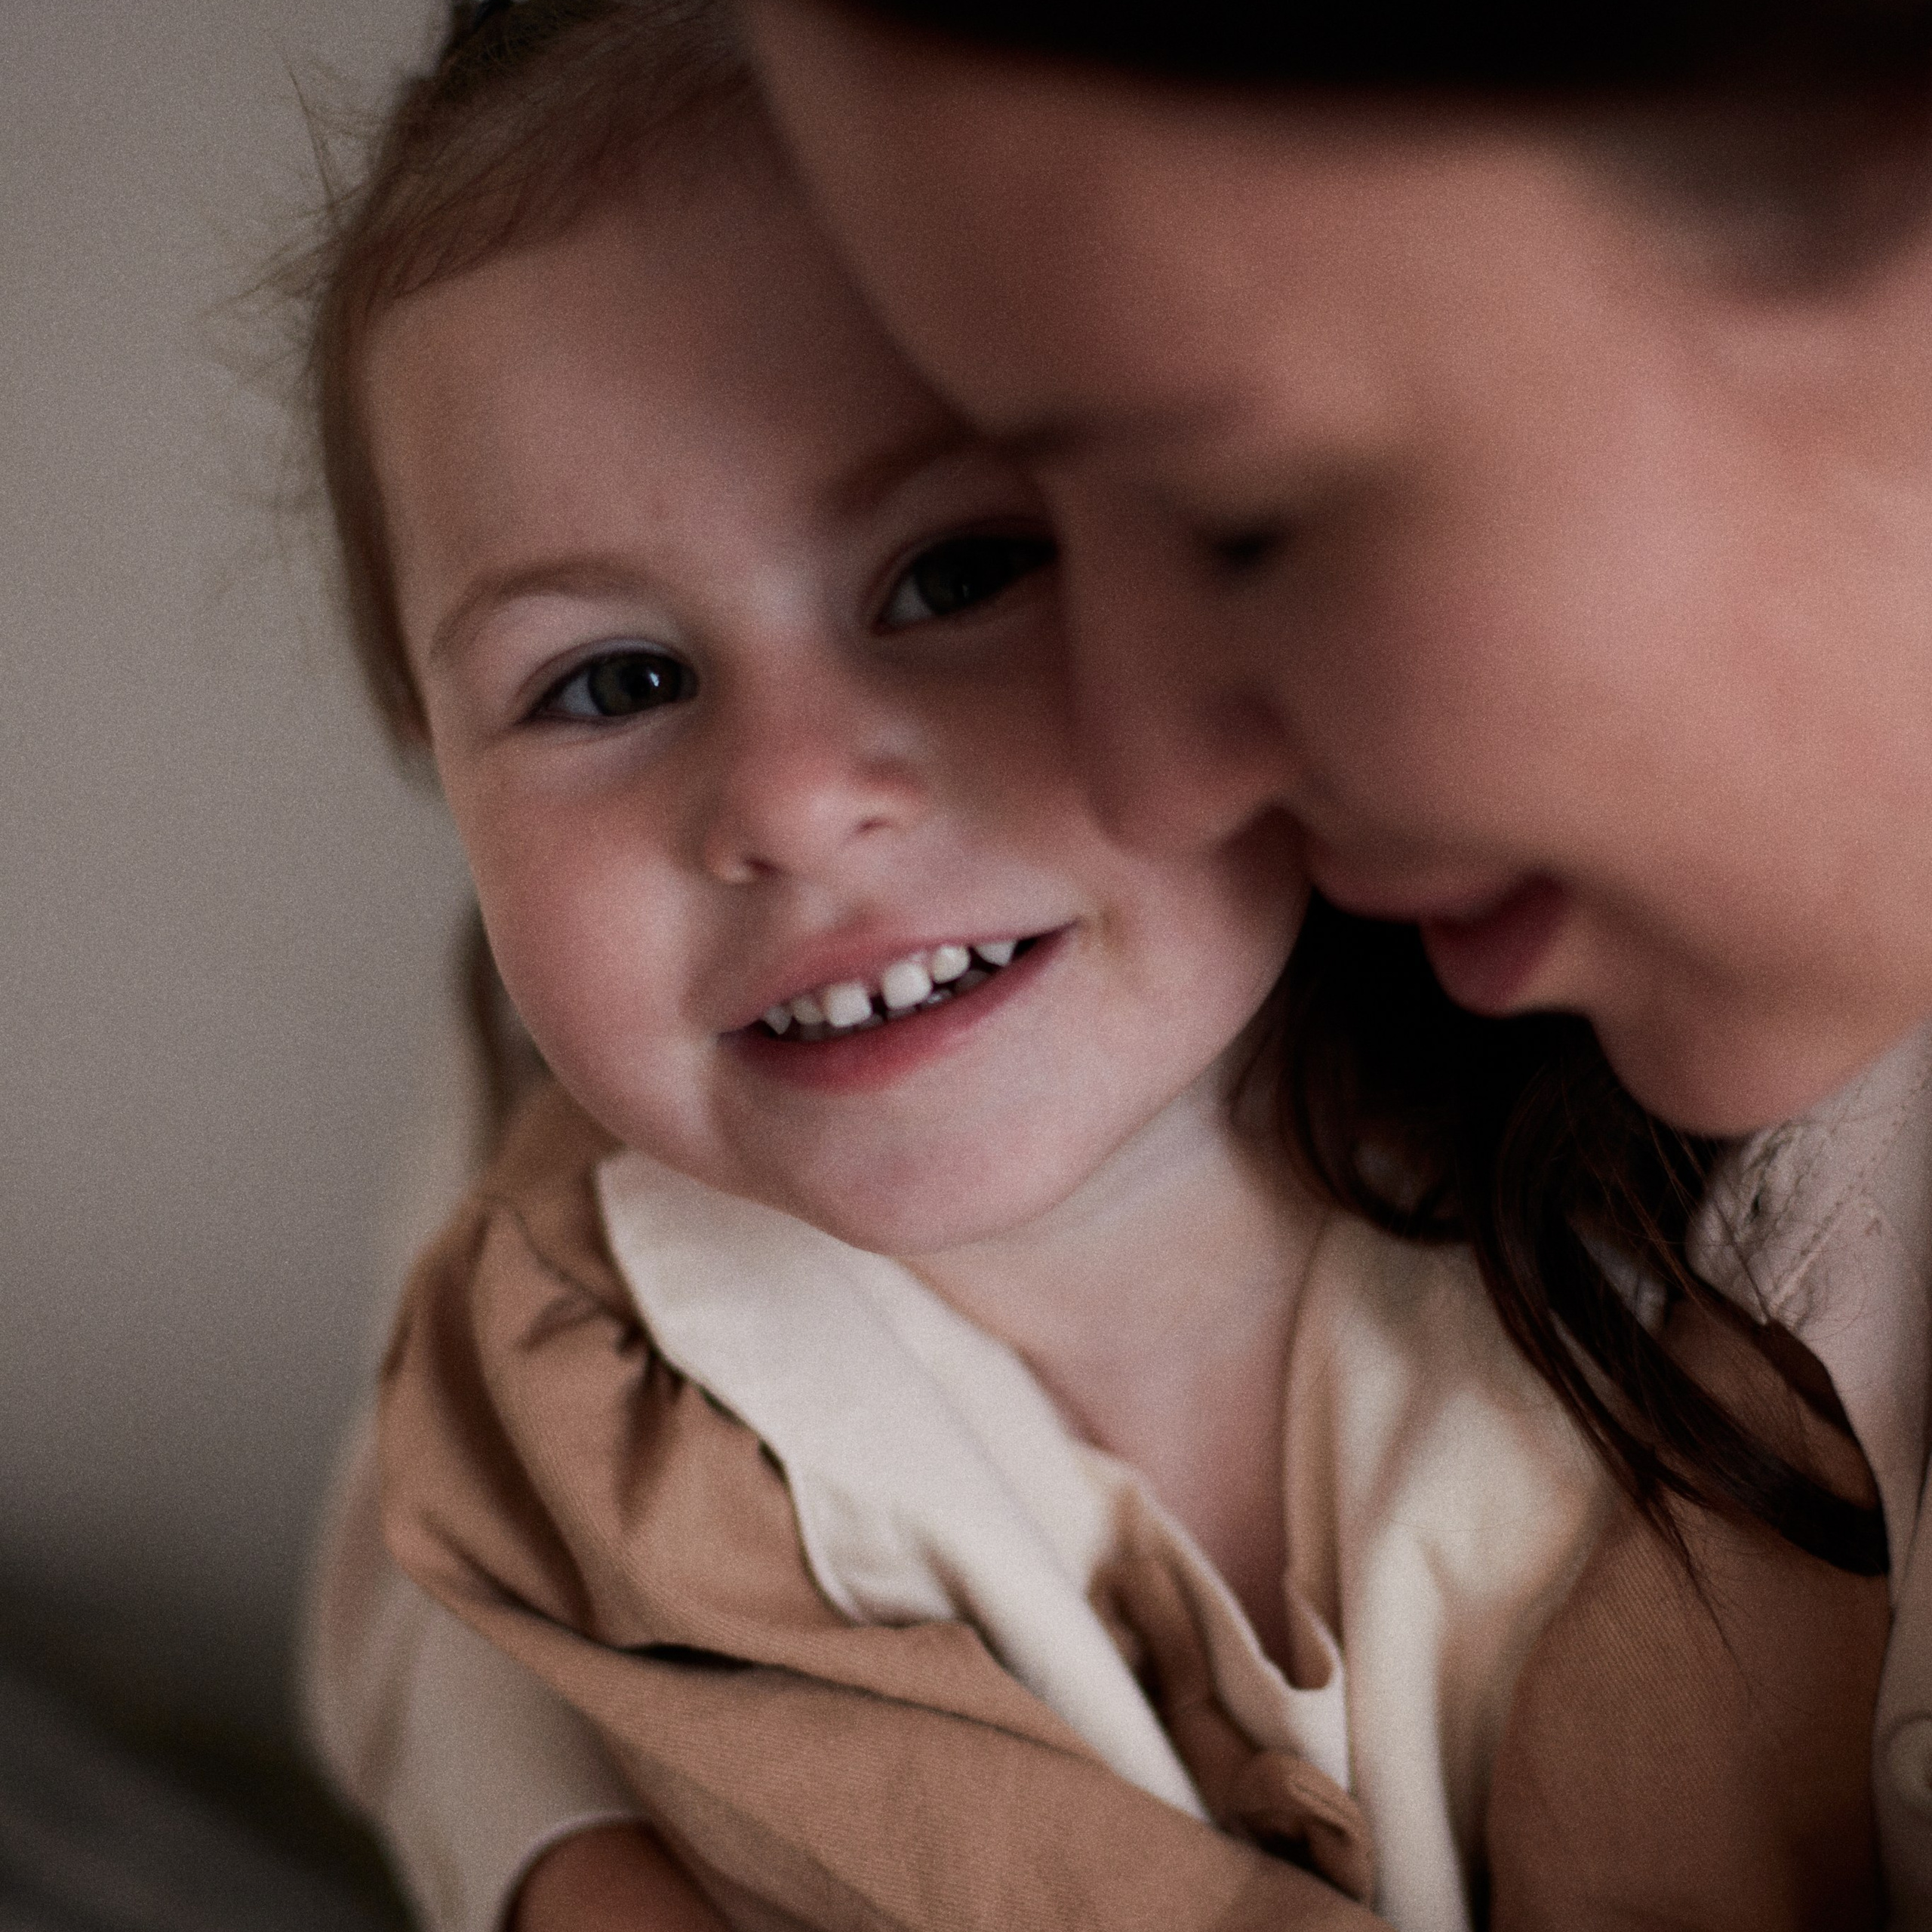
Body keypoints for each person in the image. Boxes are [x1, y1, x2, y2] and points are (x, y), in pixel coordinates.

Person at [299, 5, 1886, 1930]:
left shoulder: (1692, 1178)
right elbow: (424, 1609)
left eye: (958, 573)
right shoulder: (587, 1340)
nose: (791, 799)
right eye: (610, 683)